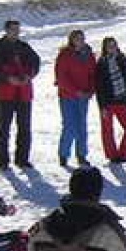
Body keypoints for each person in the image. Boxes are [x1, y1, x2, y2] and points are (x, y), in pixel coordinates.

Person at [0, 19, 41, 169]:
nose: (16, 32)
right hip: (5, 95)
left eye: (18, 29)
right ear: (6, 30)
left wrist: (29, 75)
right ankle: (3, 160)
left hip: (24, 93)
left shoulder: (24, 47)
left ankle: (22, 159)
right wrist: (8, 79)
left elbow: (36, 63)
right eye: (13, 29)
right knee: (3, 129)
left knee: (24, 128)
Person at [54, 28, 97, 167]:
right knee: (69, 126)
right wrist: (75, 91)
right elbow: (62, 77)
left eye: (82, 38)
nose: (80, 41)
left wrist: (90, 90)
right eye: (77, 38)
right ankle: (64, 153)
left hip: (84, 96)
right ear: (71, 40)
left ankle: (81, 154)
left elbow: (93, 74)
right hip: (68, 96)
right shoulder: (65, 55)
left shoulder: (89, 54)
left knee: (82, 126)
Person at [94, 37, 126, 163]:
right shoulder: (101, 63)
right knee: (108, 130)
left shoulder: (123, 60)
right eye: (109, 46)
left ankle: (125, 153)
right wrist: (102, 106)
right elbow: (99, 86)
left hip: (122, 100)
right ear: (105, 48)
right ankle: (113, 156)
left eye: (114, 45)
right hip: (107, 102)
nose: (112, 48)